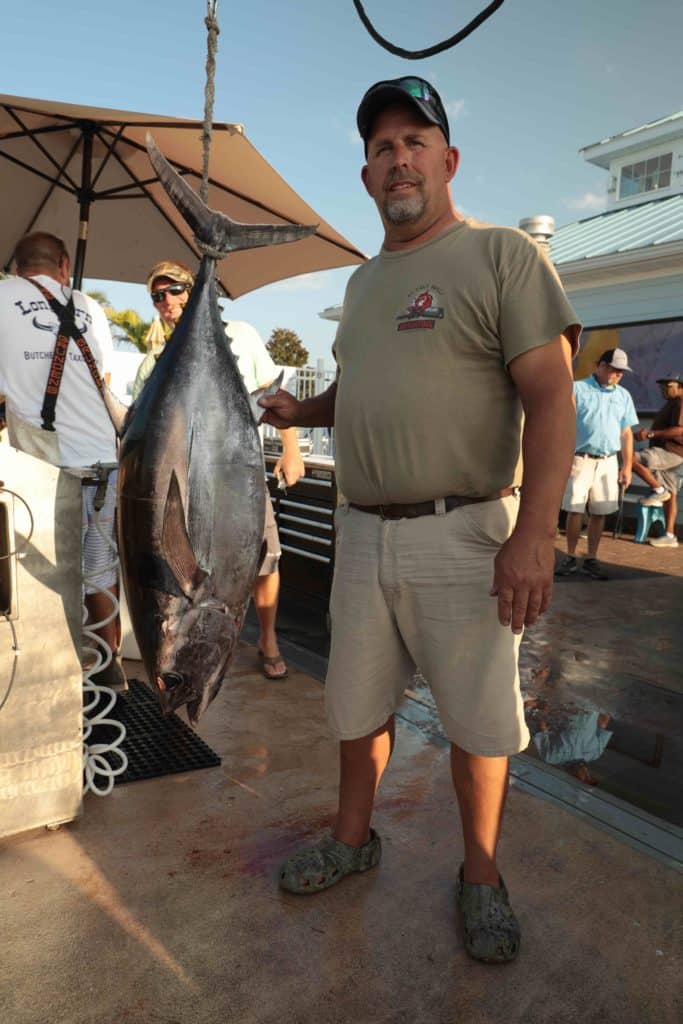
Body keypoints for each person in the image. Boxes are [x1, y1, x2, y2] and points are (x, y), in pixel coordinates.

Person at [259, 75, 580, 964]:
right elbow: (360, 388)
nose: (396, 158)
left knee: (478, 724)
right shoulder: (363, 286)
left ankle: (480, 876)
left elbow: (550, 400)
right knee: (356, 711)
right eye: (379, 147)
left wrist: (533, 535)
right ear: (365, 176)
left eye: (412, 141)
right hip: (362, 529)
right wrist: (302, 414)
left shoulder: (503, 255)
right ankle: (352, 840)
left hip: (466, 530)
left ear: (447, 159)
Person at [135, 261, 304, 678]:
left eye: (174, 290)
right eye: (158, 295)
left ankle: (267, 640)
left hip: (236, 478)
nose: (167, 301)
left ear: (192, 291)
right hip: (183, 487)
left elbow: (271, 393)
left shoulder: (241, 336)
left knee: (264, 559)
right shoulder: (151, 364)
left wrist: (292, 450)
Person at [0, 232, 124, 688]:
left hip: (42, 473)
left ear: (17, 268)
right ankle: (110, 672)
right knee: (99, 568)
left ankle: (47, 678)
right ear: (64, 265)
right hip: (101, 465)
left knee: (39, 576)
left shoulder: (1, 298)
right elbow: (104, 382)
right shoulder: (88, 306)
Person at [556, 348, 638, 580]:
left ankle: (591, 557)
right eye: (614, 370)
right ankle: (570, 556)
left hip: (608, 461)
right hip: (579, 459)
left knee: (600, 512)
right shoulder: (577, 389)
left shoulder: (623, 396)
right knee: (574, 509)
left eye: (621, 372)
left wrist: (627, 466)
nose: (618, 375)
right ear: (601, 366)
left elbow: (626, 433)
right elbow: (562, 424)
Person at [630, 373, 683, 548]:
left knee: (630, 458)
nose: (664, 389)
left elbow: (679, 430)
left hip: (669, 452)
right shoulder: (672, 403)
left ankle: (658, 490)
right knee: (671, 494)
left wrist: (651, 434)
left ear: (680, 387)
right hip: (673, 454)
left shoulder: (680, 402)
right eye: (662, 386)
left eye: (668, 386)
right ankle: (670, 535)